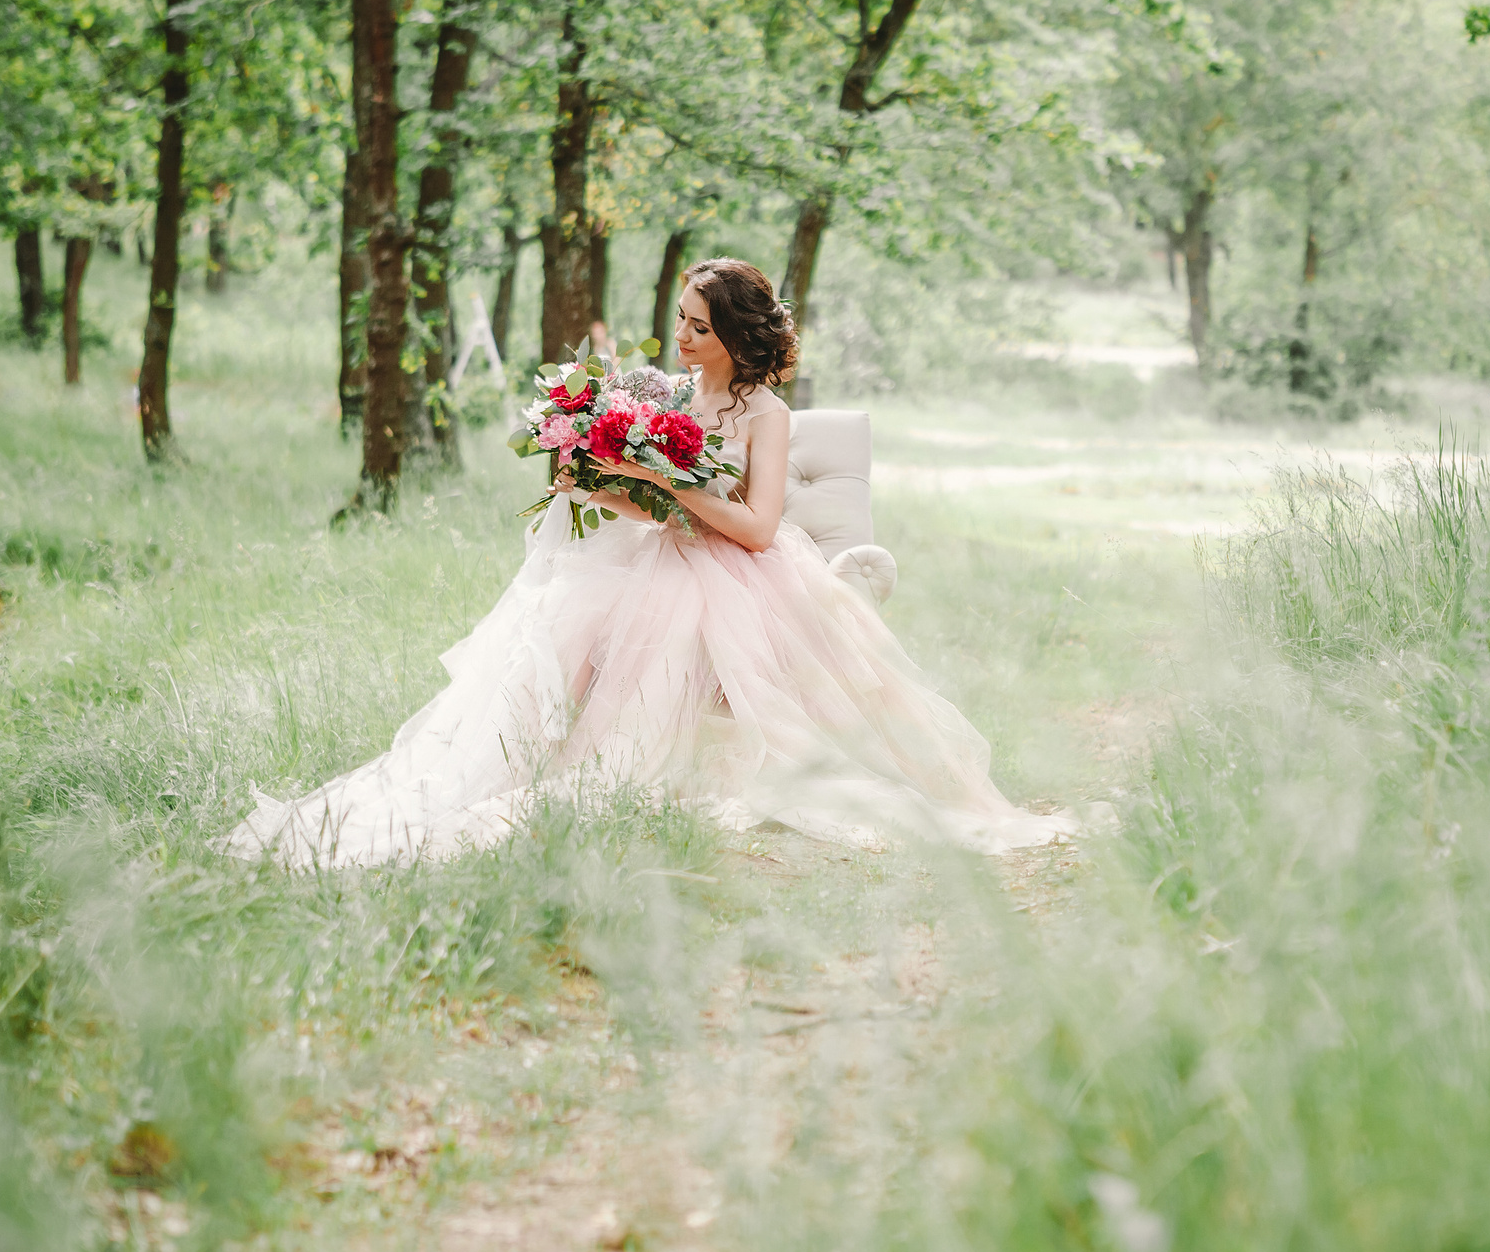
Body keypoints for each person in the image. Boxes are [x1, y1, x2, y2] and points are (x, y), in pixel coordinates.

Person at [226, 259, 1063, 865]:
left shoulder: (766, 414)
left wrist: (660, 480)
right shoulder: (678, 395)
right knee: (554, 623)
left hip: (747, 573)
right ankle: (496, 767)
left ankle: (642, 777)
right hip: (668, 554)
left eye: (699, 327)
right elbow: (662, 509)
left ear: (736, 335)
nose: (683, 337)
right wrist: (600, 485)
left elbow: (758, 528)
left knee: (662, 644)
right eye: (683, 321)